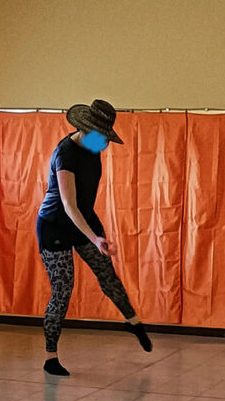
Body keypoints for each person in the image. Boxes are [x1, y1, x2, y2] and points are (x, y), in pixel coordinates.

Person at [36, 99, 153, 376]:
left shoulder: (93, 147)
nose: (105, 144)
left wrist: (94, 235)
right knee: (63, 290)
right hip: (55, 225)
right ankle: (50, 356)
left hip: (84, 219)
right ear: (85, 130)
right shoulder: (64, 154)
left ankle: (133, 322)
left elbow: (84, 204)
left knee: (107, 274)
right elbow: (69, 205)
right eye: (102, 137)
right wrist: (95, 238)